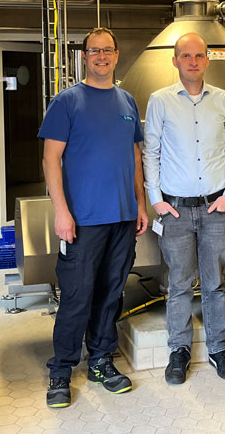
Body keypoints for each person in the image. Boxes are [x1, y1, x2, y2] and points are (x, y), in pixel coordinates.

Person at [39, 27, 149, 408]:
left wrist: (140, 201)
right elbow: (51, 158)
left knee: (110, 294)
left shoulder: (128, 102)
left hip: (121, 218)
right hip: (81, 221)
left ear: (117, 55)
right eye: (94, 50)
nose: (101, 56)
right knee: (76, 296)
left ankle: (101, 360)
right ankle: (61, 370)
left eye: (107, 50)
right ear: (84, 56)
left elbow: (134, 155)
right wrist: (61, 212)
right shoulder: (67, 102)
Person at [143, 32, 225, 385]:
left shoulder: (223, 100)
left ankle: (219, 349)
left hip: (214, 209)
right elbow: (151, 152)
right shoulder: (160, 101)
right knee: (179, 284)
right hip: (174, 210)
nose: (192, 61)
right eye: (185, 55)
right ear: (174, 61)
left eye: (198, 55)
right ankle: (179, 351)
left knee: (216, 282)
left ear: (207, 60)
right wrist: (156, 198)